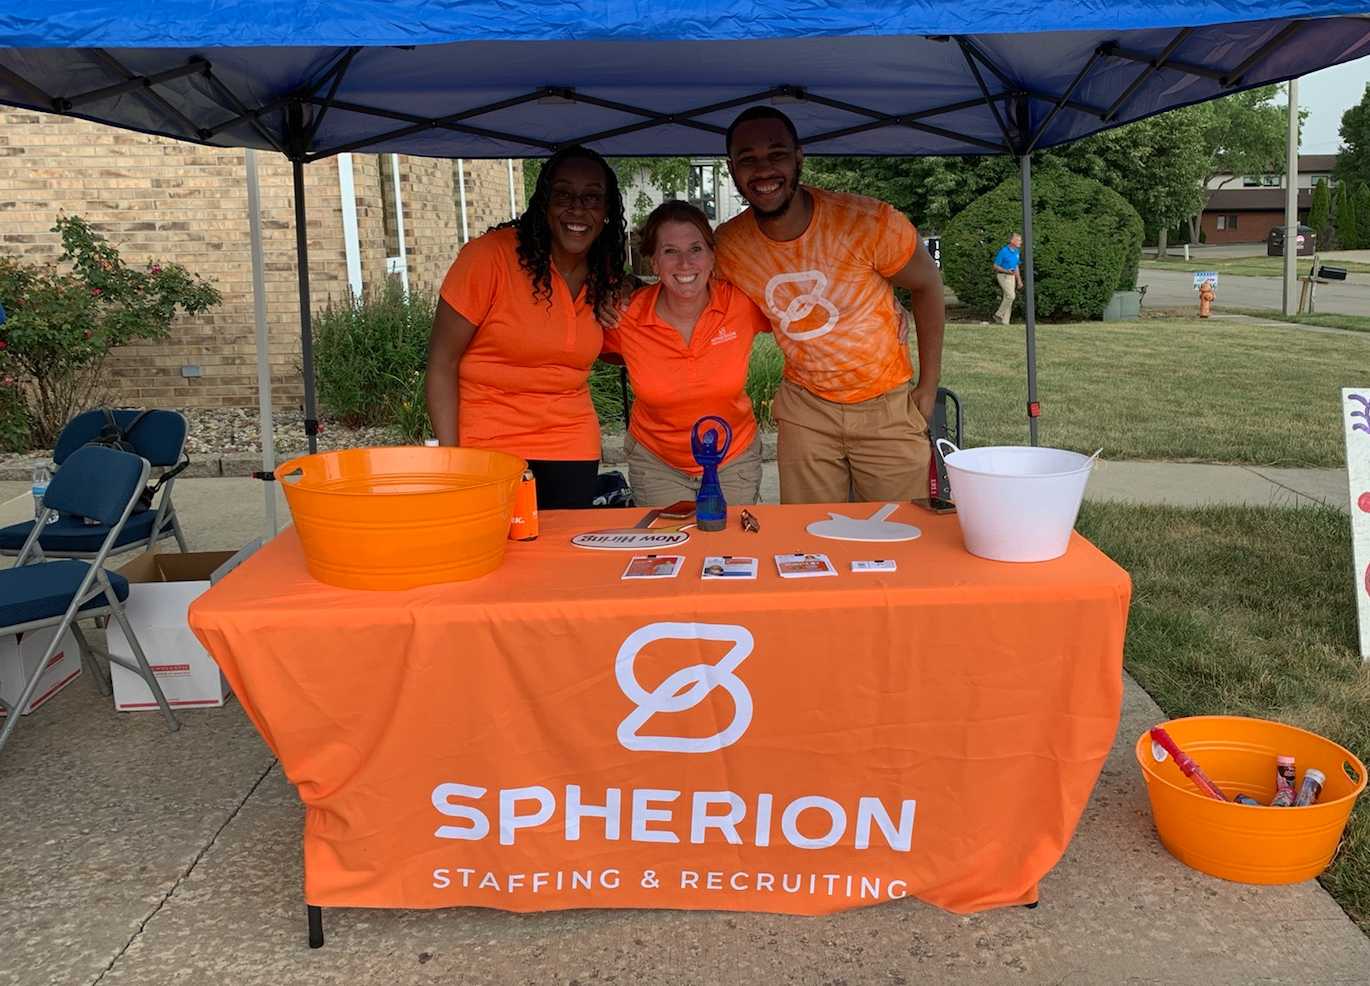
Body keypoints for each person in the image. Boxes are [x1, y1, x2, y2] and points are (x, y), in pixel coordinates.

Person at [714, 106, 946, 505]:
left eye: (777, 154)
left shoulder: (868, 222)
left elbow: (927, 285)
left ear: (799, 156)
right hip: (806, 411)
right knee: (809, 543)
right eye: (747, 159)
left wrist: (928, 387)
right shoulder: (729, 246)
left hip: (886, 404)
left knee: (903, 535)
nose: (764, 169)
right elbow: (688, 289)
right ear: (732, 169)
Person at [426, 146, 629, 509]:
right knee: (495, 556)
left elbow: (620, 352)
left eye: (592, 198)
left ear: (607, 211)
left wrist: (627, 292)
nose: (577, 208)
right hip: (488, 442)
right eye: (563, 194)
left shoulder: (604, 274)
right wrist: (451, 458)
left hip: (571, 443)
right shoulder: (488, 258)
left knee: (562, 555)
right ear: (544, 203)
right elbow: (442, 362)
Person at [602, 200, 770, 507]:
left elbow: (797, 316)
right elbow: (594, 350)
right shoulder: (624, 316)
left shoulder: (741, 303)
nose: (684, 263)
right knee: (669, 550)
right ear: (653, 261)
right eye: (669, 251)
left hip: (733, 458)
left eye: (695, 249)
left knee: (731, 550)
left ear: (711, 256)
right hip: (658, 464)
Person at [993, 233, 1023, 325]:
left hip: (1012, 277)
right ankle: (998, 314)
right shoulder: (1004, 251)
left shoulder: (1017, 251)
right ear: (1012, 241)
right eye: (1018, 240)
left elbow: (1016, 266)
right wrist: (1006, 271)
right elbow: (995, 266)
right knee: (1011, 296)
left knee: (1008, 298)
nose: (1020, 242)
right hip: (1003, 276)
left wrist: (1019, 280)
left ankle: (1005, 323)